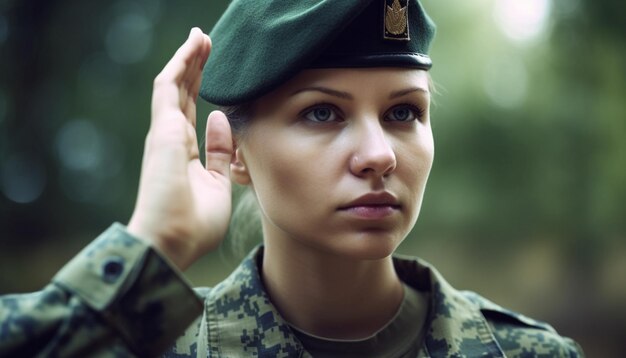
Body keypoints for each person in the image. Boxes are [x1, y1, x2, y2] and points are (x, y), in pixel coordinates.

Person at [0, 0, 584, 357]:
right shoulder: (143, 345)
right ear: (236, 152)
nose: (379, 155)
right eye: (322, 112)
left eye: (402, 112)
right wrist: (154, 245)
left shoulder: (529, 353)